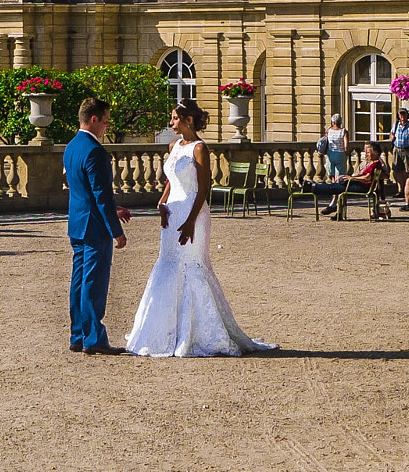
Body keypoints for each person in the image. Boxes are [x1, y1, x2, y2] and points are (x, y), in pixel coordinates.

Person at [123, 102, 275, 357]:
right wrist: (162, 202)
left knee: (193, 267)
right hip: (172, 213)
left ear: (188, 120)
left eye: (174, 119)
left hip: (194, 212)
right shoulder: (173, 146)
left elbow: (204, 188)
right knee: (168, 264)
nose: (171, 124)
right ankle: (165, 330)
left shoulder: (200, 148)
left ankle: (200, 332)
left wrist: (191, 220)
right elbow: (171, 182)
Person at [63, 97, 131, 355]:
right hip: (94, 228)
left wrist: (112, 211)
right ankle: (94, 339)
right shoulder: (96, 152)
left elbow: (86, 192)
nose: (106, 127)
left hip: (78, 222)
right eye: (105, 121)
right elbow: (102, 196)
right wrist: (117, 231)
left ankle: (78, 334)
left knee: (79, 282)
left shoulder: (71, 147)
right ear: (93, 120)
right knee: (94, 283)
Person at [300, 142, 387, 220]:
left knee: (336, 187)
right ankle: (312, 187)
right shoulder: (373, 163)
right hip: (362, 185)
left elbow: (367, 177)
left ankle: (312, 187)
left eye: (368, 152)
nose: (366, 154)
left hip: (363, 186)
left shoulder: (375, 164)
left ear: (375, 153)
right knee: (337, 186)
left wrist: (352, 178)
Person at [390, 108, 409, 185]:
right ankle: (400, 190)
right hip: (397, 149)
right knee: (398, 170)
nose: (402, 116)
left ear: (407, 115)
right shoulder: (396, 124)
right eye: (400, 114)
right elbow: (391, 133)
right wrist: (392, 137)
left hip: (408, 149)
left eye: (404, 114)